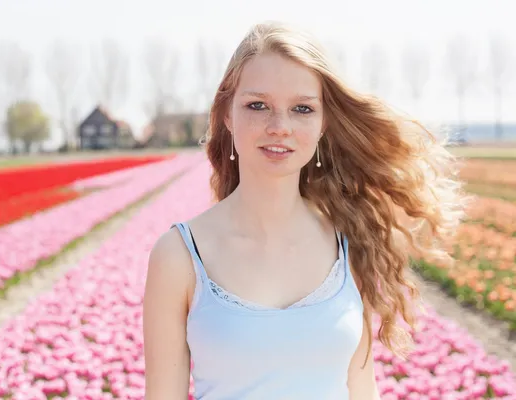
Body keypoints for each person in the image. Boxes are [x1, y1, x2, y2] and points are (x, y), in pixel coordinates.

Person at [143, 21, 466, 400]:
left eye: (301, 108)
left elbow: (361, 388)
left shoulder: (347, 241)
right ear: (227, 114)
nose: (280, 126)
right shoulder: (180, 255)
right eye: (258, 105)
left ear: (323, 122)